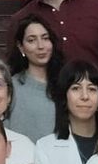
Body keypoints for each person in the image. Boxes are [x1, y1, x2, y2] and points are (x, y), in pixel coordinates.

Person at [5, 14, 64, 142]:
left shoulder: (66, 83)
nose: (40, 46)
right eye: (31, 40)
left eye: (45, 38)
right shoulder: (11, 87)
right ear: (21, 47)